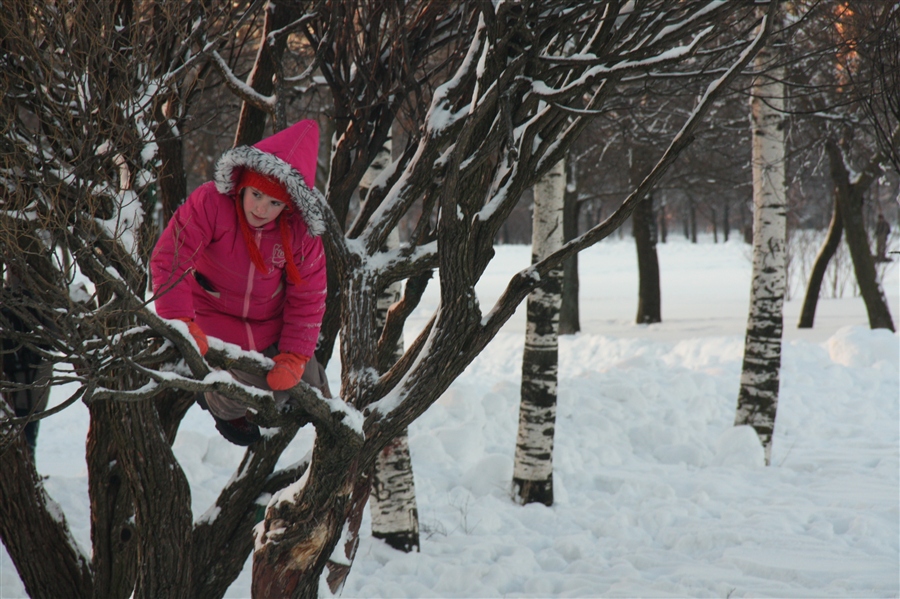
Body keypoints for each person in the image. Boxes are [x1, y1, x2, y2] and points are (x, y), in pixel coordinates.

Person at [151, 119, 330, 446]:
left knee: (312, 391)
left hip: (269, 324)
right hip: (213, 319)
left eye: (275, 203)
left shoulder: (298, 233)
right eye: (257, 194)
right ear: (243, 185)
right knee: (245, 393)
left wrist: (293, 355)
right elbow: (171, 256)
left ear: (288, 206)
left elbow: (309, 294)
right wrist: (181, 322)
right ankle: (220, 403)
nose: (262, 209)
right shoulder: (212, 204)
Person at [1, 273, 52, 461]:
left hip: (14, 384)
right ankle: (30, 467)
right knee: (29, 437)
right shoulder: (39, 303)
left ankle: (29, 470)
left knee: (20, 439)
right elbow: (55, 338)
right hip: (33, 385)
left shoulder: (6, 303)